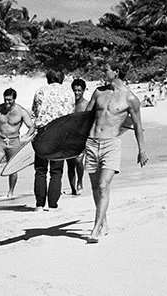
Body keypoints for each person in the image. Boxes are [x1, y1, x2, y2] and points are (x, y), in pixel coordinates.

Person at [84, 62, 148, 243]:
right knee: (95, 187)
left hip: (111, 144)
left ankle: (95, 229)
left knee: (103, 185)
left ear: (116, 72)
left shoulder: (130, 98)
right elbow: (84, 119)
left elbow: (138, 125)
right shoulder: (98, 92)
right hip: (91, 142)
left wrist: (142, 150)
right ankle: (104, 223)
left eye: (105, 70)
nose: (102, 72)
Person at [31, 69, 74, 211]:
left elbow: (34, 112)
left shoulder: (40, 91)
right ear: (62, 79)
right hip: (60, 134)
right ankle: (53, 204)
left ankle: (39, 205)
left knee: (40, 170)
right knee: (56, 171)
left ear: (48, 79)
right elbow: (71, 114)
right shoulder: (68, 93)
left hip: (43, 133)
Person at [0, 88, 34, 201]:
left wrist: (25, 137)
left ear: (14, 99)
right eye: (5, 99)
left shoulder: (21, 111)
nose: (7, 102)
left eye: (10, 100)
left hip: (14, 141)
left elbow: (31, 127)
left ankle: (11, 192)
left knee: (12, 168)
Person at [66, 78, 90, 195]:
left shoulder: (87, 105)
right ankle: (73, 188)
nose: (76, 93)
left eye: (79, 90)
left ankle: (80, 181)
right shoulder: (68, 104)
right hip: (68, 137)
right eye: (74, 90)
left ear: (83, 91)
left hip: (81, 137)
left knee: (79, 161)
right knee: (70, 164)